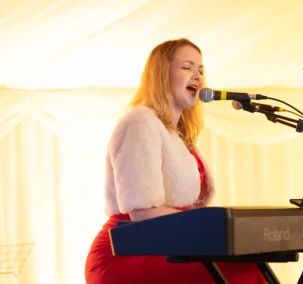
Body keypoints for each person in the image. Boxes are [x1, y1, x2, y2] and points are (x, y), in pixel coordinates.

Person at [84, 38, 266, 283]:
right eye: (187, 67)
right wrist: (211, 226)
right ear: (161, 74)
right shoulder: (140, 123)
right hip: (126, 254)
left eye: (201, 70)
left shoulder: (177, 135)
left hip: (166, 245)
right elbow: (142, 212)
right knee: (238, 270)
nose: (198, 76)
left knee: (248, 264)